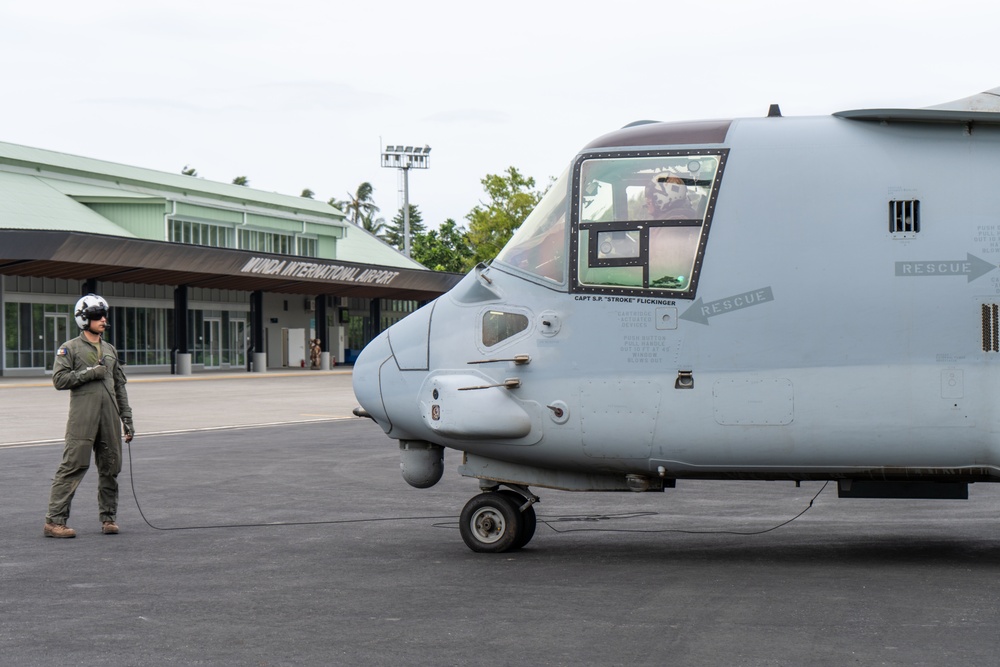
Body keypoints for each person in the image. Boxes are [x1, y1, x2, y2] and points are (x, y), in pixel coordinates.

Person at [44, 294, 134, 538]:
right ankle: (54, 522)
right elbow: (59, 380)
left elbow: (119, 387)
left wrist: (127, 419)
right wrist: (89, 373)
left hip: (109, 418)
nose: (103, 319)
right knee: (73, 466)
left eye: (104, 315)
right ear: (84, 319)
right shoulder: (70, 348)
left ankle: (108, 518)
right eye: (97, 316)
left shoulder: (110, 349)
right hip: (82, 419)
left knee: (110, 468)